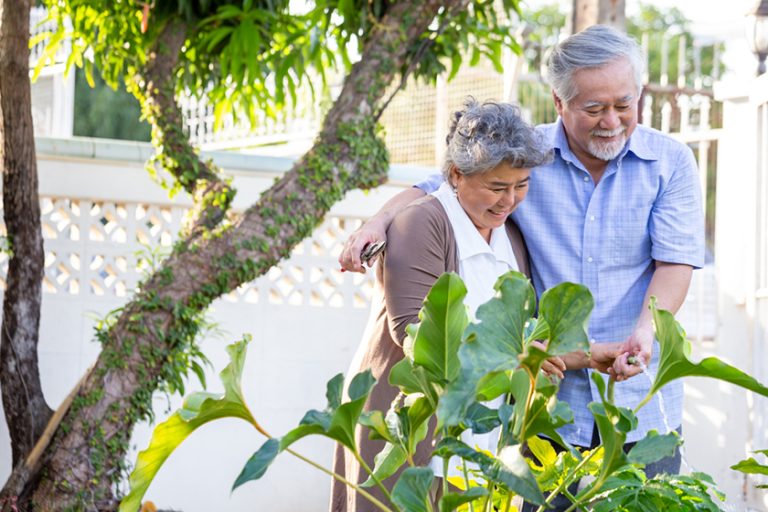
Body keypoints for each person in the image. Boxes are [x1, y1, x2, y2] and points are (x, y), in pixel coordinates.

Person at [338, 25, 704, 510]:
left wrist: (646, 331)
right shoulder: (523, 157)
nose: (611, 121)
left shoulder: (671, 162)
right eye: (594, 109)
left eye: (624, 104)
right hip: (541, 406)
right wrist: (380, 219)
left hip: (639, 408)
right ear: (559, 102)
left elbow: (675, 260)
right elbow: (440, 186)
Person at [330, 99, 595, 512]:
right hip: (410, 429)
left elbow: (521, 337)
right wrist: (517, 356)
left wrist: (593, 355)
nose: (509, 200)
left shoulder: (511, 238)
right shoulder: (422, 222)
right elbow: (418, 337)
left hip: (476, 439)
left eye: (521, 185)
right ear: (456, 174)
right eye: (496, 187)